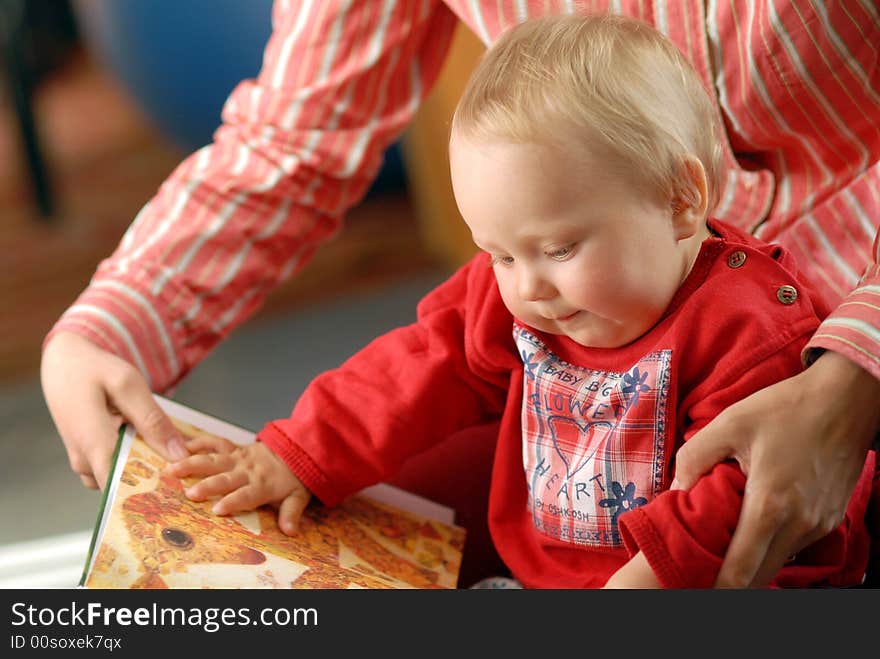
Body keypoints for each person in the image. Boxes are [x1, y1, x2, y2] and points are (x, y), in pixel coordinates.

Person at [41, 1, 880, 587]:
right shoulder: (524, 284)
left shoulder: (744, 331)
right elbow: (415, 361)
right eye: (499, 255)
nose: (526, 290)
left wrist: (854, 369)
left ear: (682, 200)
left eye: (556, 249)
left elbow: (728, 508)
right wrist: (293, 452)